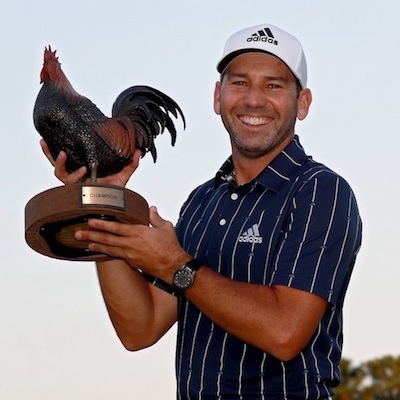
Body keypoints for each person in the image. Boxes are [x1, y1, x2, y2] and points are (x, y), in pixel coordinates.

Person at [42, 23, 362, 399]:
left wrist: (176, 265)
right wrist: (103, 202)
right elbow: (140, 328)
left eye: (273, 86)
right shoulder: (201, 202)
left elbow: (285, 332)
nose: (253, 100)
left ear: (302, 103)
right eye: (239, 83)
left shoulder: (321, 191)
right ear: (217, 96)